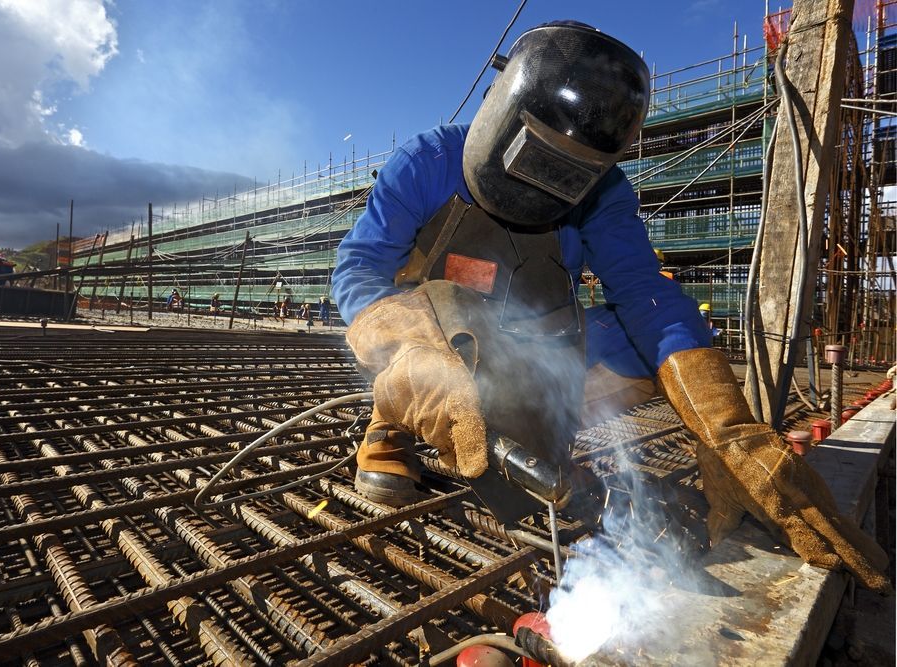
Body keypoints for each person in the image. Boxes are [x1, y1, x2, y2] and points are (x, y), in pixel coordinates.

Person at [331, 21, 888, 593]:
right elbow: (357, 269)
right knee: (426, 310)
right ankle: (389, 427)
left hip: (534, 348)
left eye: (567, 174)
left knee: (656, 343)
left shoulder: (604, 190)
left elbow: (645, 293)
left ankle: (534, 428)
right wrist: (410, 360)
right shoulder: (427, 161)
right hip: (442, 342)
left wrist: (725, 430)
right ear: (503, 116)